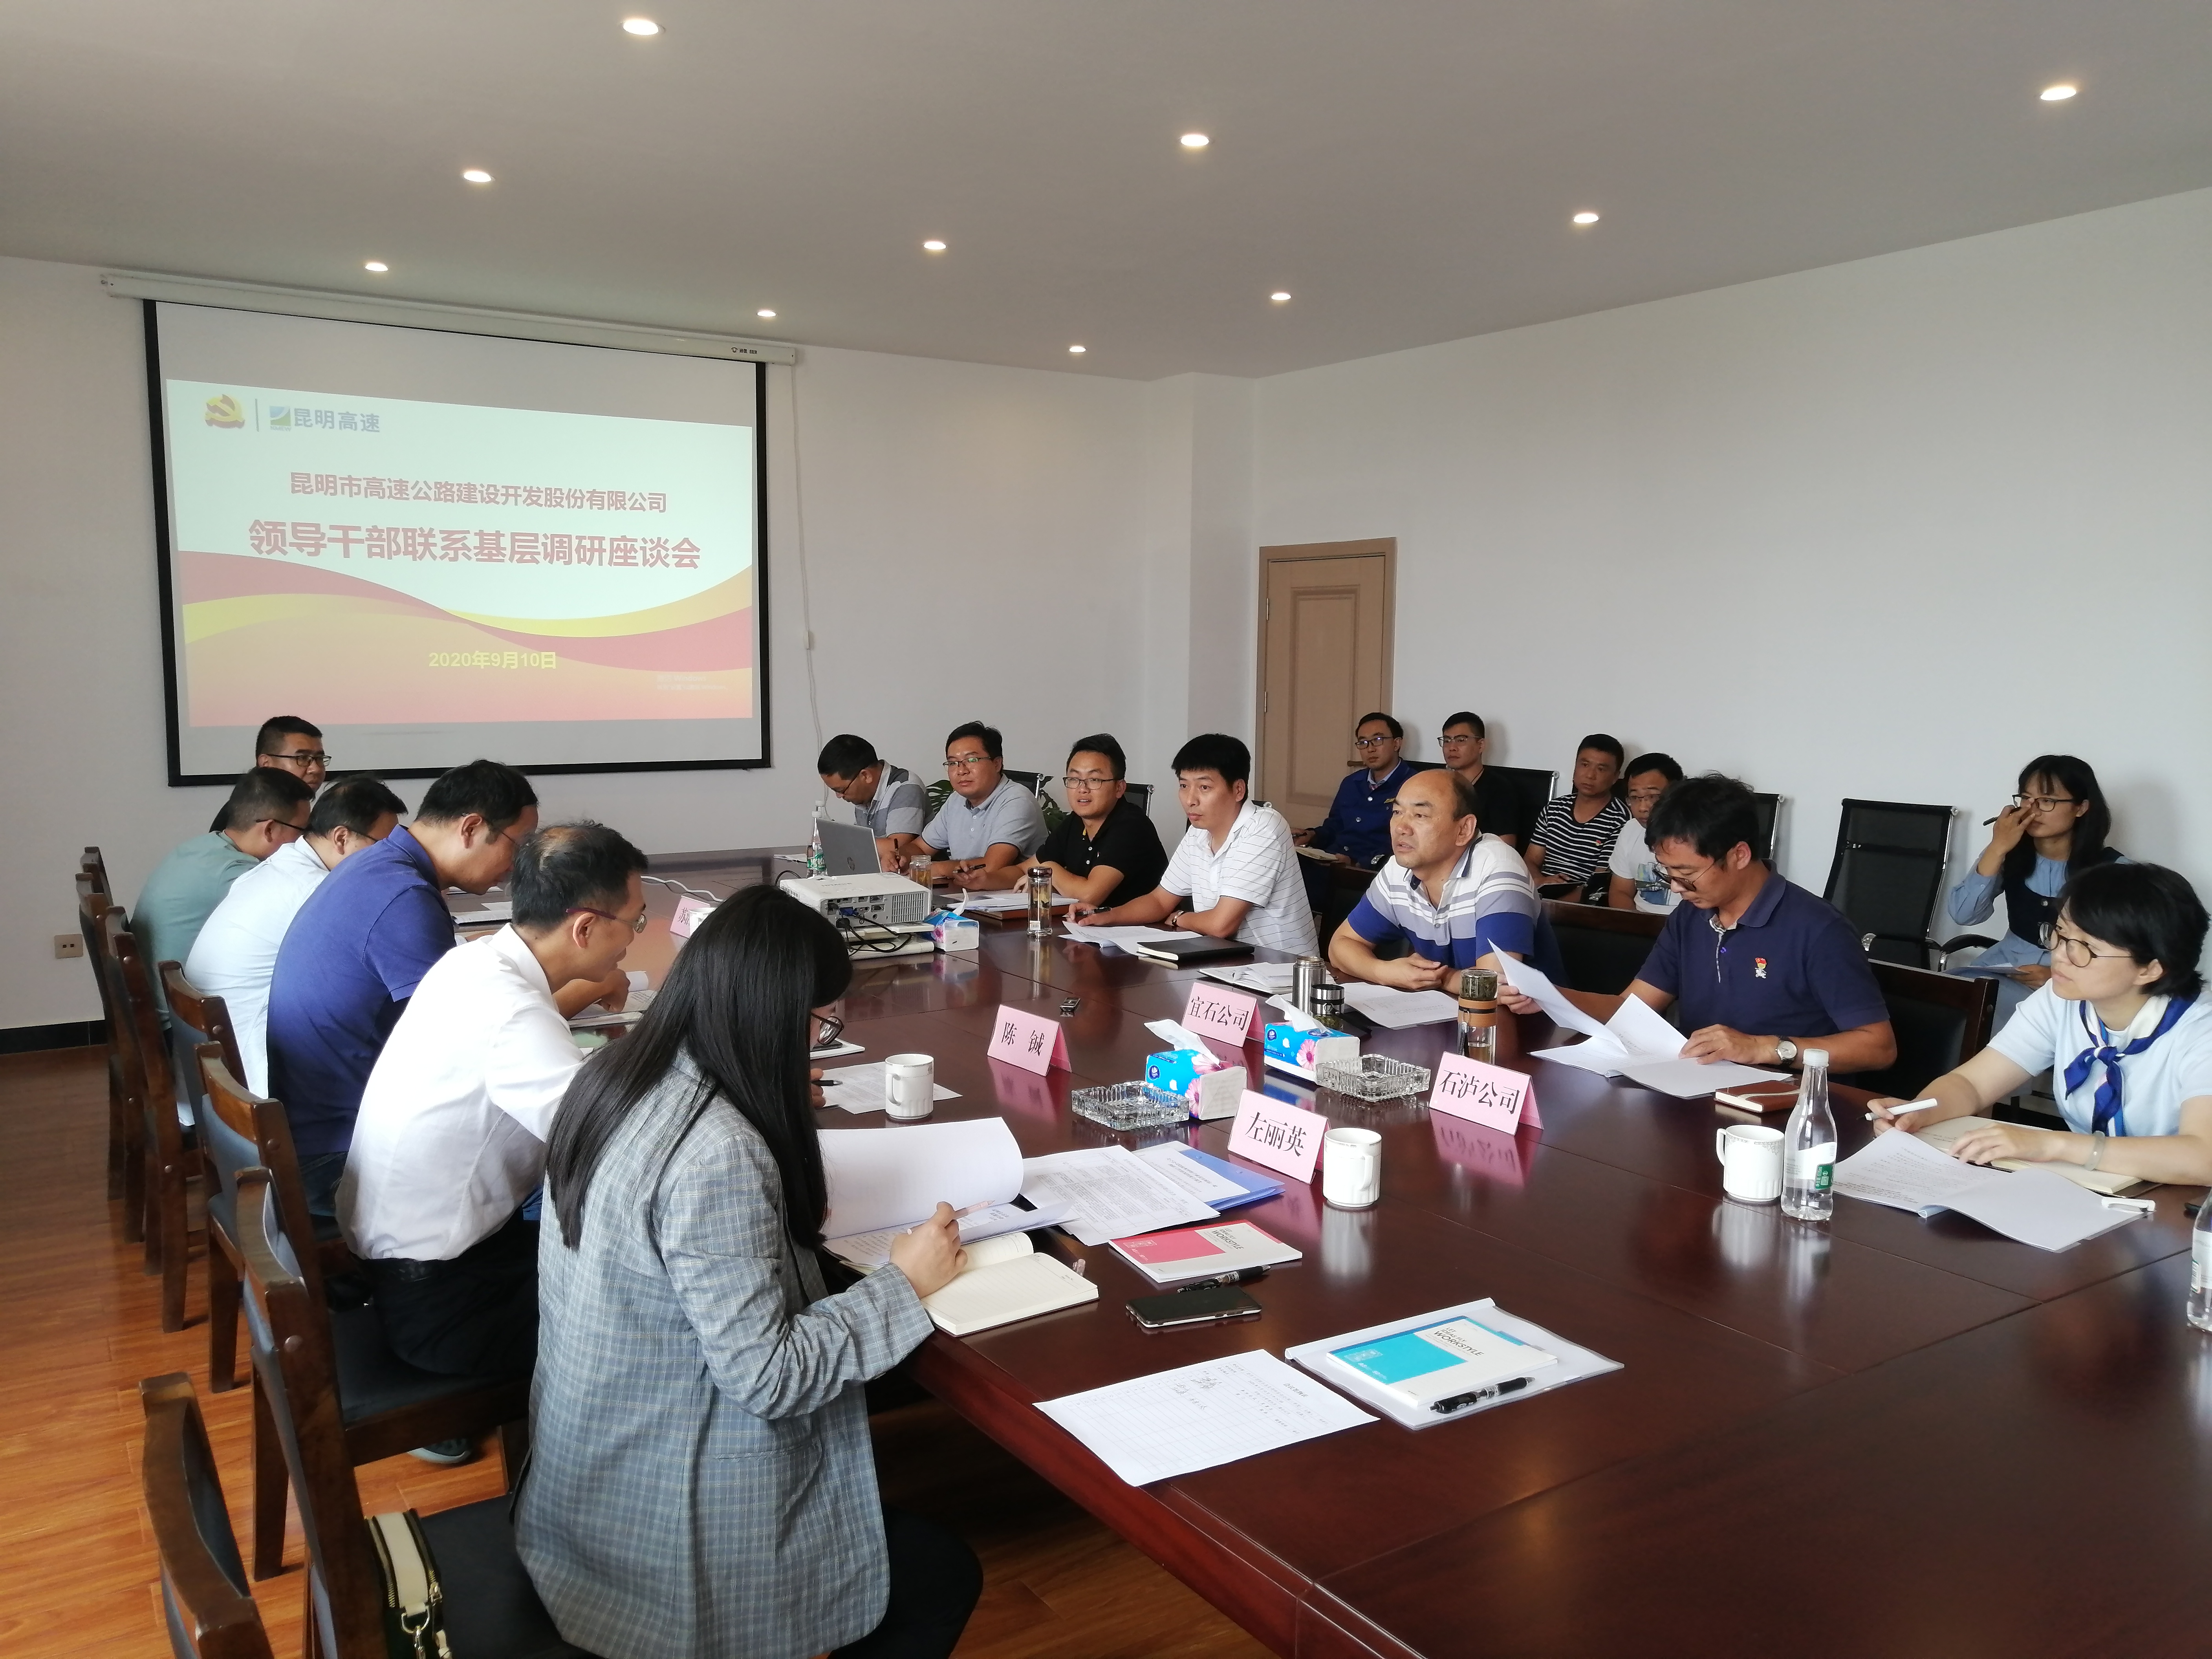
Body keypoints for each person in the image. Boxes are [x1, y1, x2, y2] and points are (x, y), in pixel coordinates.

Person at [519, 885, 981, 1659]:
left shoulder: (614, 1074)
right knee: (941, 1576)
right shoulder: (717, 1151)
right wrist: (905, 1281)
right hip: (661, 1538)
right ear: (771, 1014)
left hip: (586, 1482)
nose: (818, 1041)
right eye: (817, 1021)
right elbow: (769, 1377)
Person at [339, 822, 648, 1380]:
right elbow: (614, 1146)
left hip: (414, 1264)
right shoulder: (514, 1013)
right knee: (657, 1315)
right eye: (635, 922)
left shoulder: (474, 962)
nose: (634, 938)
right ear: (584, 927)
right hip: (445, 1304)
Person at [267, 760, 622, 1215]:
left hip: (317, 1125)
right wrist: (590, 985)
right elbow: (474, 1042)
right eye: (518, 845)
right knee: (575, 1170)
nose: (516, 866)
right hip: (341, 1154)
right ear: (472, 828)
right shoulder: (403, 897)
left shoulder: (379, 867)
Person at [1507, 775, 1897, 1073]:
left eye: (1687, 874)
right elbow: (1630, 1009)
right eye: (1668, 874)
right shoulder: (1692, 916)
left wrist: (1764, 1048)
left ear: (1739, 855)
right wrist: (1549, 997)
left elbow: (1878, 1047)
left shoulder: (1817, 929)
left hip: (1785, 1105)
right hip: (1698, 1089)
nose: (1676, 888)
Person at [1872, 863, 2212, 1185]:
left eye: (2086, 948)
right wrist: (1919, 1112)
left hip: (2185, 1205)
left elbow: (2204, 1157)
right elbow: (1972, 1084)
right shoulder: (2062, 999)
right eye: (2060, 933)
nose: (2060, 955)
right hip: (2091, 1189)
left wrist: (2053, 1144)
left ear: (2151, 969)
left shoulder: (2202, 1030)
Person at [184, 776, 406, 1093]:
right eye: (383, 846)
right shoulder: (317, 889)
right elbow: (387, 956)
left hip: (215, 1068)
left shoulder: (280, 866)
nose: (391, 858)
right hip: (254, 1077)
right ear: (342, 838)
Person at [1073, 733, 1319, 956]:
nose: (1190, 800)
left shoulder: (1263, 827)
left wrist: (1180, 918)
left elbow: (1221, 925)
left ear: (1238, 790)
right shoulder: (1198, 833)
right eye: (1184, 786)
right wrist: (1106, 915)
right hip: (1225, 964)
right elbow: (1160, 901)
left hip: (1284, 973)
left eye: (1204, 787)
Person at [1328, 767, 1564, 989]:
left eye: (1420, 815)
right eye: (1397, 812)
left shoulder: (1498, 866)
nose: (1401, 828)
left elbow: (1492, 983)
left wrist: (1442, 979)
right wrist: (1385, 972)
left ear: (1464, 830)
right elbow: (1340, 945)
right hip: (1450, 1010)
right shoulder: (1398, 870)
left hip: (1535, 1015)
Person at [1947, 755, 2124, 1021]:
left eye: (2047, 801)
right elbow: (1964, 915)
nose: (2033, 810)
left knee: (1997, 1019)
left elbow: (2127, 957)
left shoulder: (2115, 872)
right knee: (1943, 999)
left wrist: (2057, 976)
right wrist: (1997, 847)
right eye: (2026, 799)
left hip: (2070, 987)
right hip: (2003, 971)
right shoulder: (2006, 853)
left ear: (2081, 808)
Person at [134, 767, 314, 1020]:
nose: (305, 841)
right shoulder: (239, 875)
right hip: (182, 1021)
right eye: (302, 831)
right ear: (270, 830)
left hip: (160, 1003)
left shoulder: (201, 846)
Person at [962, 733, 1167, 906]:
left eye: (1094, 780)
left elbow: (1090, 895)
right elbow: (1023, 869)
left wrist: (1048, 870)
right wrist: (986, 880)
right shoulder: (1075, 822)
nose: (1082, 789)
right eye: (1075, 779)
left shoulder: (1131, 827)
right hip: (1091, 928)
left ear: (1119, 788)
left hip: (1142, 934)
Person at [908, 721, 1046, 882]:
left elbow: (991, 867)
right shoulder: (956, 800)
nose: (961, 771)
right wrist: (901, 858)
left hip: (1010, 894)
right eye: (953, 763)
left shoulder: (1017, 801)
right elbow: (920, 848)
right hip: (965, 890)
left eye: (972, 760)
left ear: (997, 764)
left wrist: (938, 868)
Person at [1293, 712, 1423, 872]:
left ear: (1397, 744)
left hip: (1372, 871)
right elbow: (1335, 826)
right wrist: (1312, 835)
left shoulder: (1415, 786)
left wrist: (1357, 863)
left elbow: (1410, 840)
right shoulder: (1351, 783)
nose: (1370, 749)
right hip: (1332, 862)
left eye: (1378, 740)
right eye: (1363, 743)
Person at [1524, 734, 1629, 900]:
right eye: (1585, 765)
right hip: (1540, 893)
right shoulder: (1554, 809)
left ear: (1616, 777)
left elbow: (1600, 883)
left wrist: (1553, 906)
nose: (1590, 775)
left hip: (1582, 903)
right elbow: (1531, 860)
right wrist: (1539, 881)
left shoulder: (1620, 820)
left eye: (1601, 769)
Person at [817, 734, 928, 863]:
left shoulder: (906, 787)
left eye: (841, 790)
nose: (839, 796)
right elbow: (862, 845)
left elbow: (898, 849)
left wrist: (840, 841)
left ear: (865, 776)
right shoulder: (865, 794)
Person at [208, 717, 330, 831]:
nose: (316, 769)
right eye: (302, 758)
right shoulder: (240, 818)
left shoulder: (300, 810)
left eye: (319, 758)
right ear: (266, 764)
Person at [1608, 753, 1686, 915]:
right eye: (1635, 798)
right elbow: (1620, 892)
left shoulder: (1697, 834)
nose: (1643, 808)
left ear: (1677, 792)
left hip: (1684, 927)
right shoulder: (1631, 829)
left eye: (1653, 797)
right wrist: (1635, 926)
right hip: (1637, 922)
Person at [1437, 711, 1527, 848]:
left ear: (1481, 745)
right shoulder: (1440, 783)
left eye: (1461, 740)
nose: (1452, 748)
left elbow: (1505, 848)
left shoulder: (1500, 790)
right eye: (1447, 741)